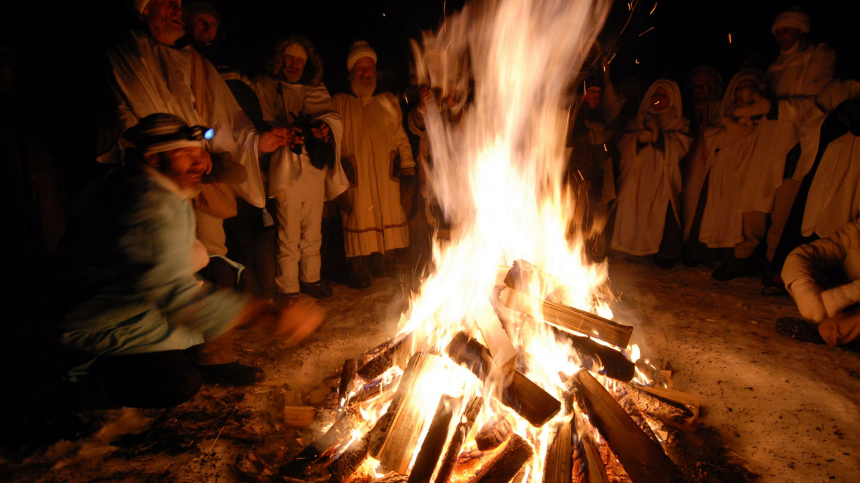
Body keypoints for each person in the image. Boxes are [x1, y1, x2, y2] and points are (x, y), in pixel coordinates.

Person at [38, 114, 324, 412]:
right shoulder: (148, 204)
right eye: (185, 154)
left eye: (200, 151)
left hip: (114, 302)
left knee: (221, 275)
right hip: (87, 322)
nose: (200, 163)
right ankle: (69, 393)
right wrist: (269, 313)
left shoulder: (140, 183)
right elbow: (175, 297)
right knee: (176, 381)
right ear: (153, 159)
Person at [254, 38, 348, 300]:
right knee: (289, 232)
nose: (294, 65)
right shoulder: (267, 87)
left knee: (312, 230)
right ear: (280, 59)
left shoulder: (315, 90)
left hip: (313, 172)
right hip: (287, 172)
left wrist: (323, 129)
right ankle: (288, 285)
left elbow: (332, 120)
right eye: (290, 59)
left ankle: (311, 277)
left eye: (299, 61)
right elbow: (262, 124)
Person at [758, 7, 835, 292]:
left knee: (784, 213)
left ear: (801, 31)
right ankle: (757, 261)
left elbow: (817, 103)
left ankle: (776, 269)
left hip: (798, 145)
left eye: (787, 30)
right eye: (778, 32)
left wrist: (774, 107)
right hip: (769, 146)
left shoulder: (820, 56)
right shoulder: (775, 66)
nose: (781, 37)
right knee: (759, 204)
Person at [333, 41, 416, 288]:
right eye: (360, 68)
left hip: (386, 177)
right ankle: (357, 267)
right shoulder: (339, 103)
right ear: (351, 72)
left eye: (369, 68)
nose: (365, 73)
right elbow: (332, 146)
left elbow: (401, 139)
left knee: (388, 215)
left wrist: (408, 173)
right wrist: (336, 183)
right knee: (359, 219)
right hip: (355, 177)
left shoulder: (388, 101)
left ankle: (387, 262)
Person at [698, 70, 773, 279]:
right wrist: (733, 126)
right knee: (723, 215)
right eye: (739, 88)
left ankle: (738, 264)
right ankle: (722, 257)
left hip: (749, 173)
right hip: (724, 172)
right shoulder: (727, 114)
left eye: (748, 87)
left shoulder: (763, 117)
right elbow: (714, 137)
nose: (743, 92)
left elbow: (753, 138)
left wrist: (735, 127)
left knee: (743, 221)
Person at [611, 80, 692, 267]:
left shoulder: (679, 122)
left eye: (664, 96)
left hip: (661, 178)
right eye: (655, 95)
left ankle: (665, 254)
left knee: (661, 210)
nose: (658, 99)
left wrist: (659, 138)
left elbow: (682, 146)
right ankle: (625, 249)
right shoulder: (637, 120)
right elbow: (624, 143)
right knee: (630, 208)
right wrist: (638, 139)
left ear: (672, 100)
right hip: (636, 177)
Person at [564, 66, 624, 261]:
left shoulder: (599, 116)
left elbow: (605, 149)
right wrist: (588, 137)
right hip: (573, 171)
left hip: (593, 174)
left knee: (589, 215)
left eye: (599, 92)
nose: (596, 95)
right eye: (592, 91)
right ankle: (568, 250)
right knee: (570, 212)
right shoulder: (573, 115)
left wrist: (601, 140)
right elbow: (567, 141)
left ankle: (585, 252)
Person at [777, 217, 860, 350]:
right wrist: (803, 288)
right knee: (812, 276)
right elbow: (803, 255)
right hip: (852, 300)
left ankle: (830, 332)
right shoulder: (856, 230)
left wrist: (845, 295)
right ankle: (839, 325)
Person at [681, 67, 722, 265]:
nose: (700, 90)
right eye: (696, 86)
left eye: (704, 85)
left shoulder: (718, 107)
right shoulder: (686, 108)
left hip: (710, 161)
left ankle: (700, 247)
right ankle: (685, 243)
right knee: (688, 201)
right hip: (690, 159)